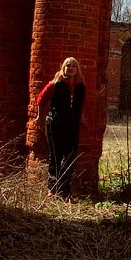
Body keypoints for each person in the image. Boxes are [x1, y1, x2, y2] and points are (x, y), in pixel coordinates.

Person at [34, 57, 85, 195]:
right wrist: (40, 116)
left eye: (74, 66)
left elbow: (80, 105)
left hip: (72, 125)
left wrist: (81, 118)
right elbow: (40, 100)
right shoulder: (55, 84)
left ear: (77, 69)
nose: (71, 68)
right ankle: (52, 188)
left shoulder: (81, 86)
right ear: (63, 67)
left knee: (69, 156)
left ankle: (65, 191)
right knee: (55, 156)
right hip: (55, 124)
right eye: (68, 65)